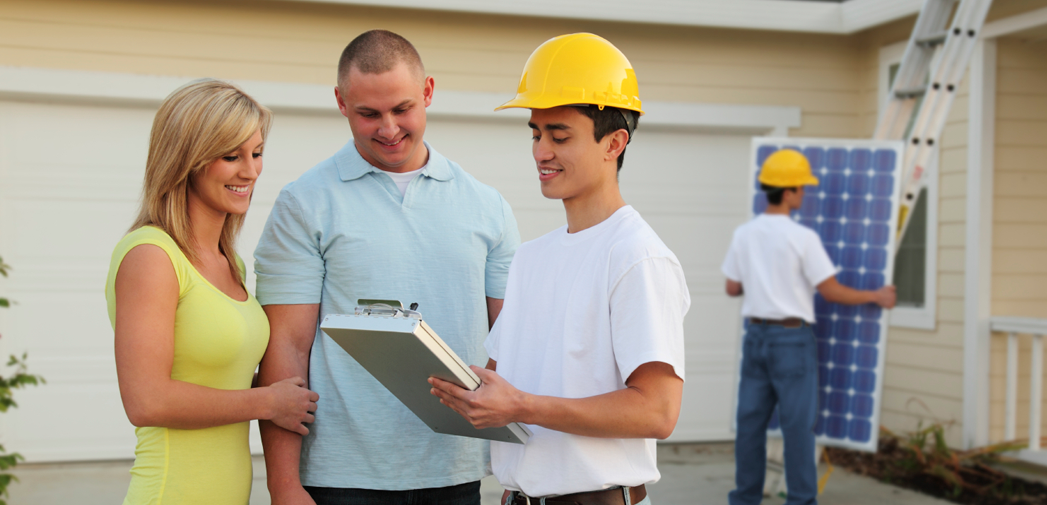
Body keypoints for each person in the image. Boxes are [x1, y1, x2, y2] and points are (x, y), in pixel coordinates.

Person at [253, 29, 520, 505]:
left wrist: (519, 471)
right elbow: (286, 350)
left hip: (455, 470)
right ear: (340, 102)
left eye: (402, 109)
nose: (389, 128)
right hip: (341, 476)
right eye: (368, 114)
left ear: (429, 92)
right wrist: (284, 484)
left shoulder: (488, 207)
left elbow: (512, 341)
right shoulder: (304, 203)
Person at [429, 33, 689, 505]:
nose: (540, 151)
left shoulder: (636, 256)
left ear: (614, 143)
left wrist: (523, 405)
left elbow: (657, 410)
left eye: (559, 135)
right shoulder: (531, 256)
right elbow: (502, 381)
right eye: (535, 132)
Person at [105, 78, 319, 505]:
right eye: (231, 156)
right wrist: (267, 402)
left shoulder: (229, 262)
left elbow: (222, 380)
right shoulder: (153, 255)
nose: (251, 171)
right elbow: (146, 400)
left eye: (257, 153)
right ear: (187, 159)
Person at [721, 148, 897, 505]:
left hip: (755, 337)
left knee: (750, 426)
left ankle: (745, 498)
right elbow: (831, 291)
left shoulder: (745, 233)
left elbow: (732, 287)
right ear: (788, 192)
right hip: (791, 340)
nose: (804, 193)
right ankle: (801, 501)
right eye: (801, 187)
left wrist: (762, 280)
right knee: (797, 428)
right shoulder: (802, 238)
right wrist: (875, 296)